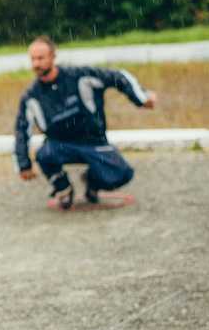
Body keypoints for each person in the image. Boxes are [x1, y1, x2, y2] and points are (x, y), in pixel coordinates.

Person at [14, 36, 156, 209]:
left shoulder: (79, 76)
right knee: (44, 155)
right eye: (33, 59)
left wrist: (141, 99)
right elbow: (22, 129)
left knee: (123, 174)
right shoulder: (31, 96)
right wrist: (23, 163)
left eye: (41, 58)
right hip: (60, 145)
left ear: (53, 57)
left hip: (92, 142)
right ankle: (63, 188)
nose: (36, 64)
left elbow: (118, 76)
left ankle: (91, 182)